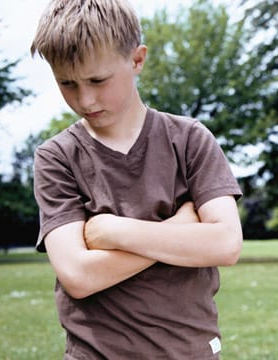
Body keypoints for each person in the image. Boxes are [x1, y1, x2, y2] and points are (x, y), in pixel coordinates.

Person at [30, 0, 243, 358]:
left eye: (98, 80)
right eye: (67, 83)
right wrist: (180, 227)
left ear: (137, 59)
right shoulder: (57, 157)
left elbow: (225, 244)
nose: (85, 99)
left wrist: (113, 232)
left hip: (189, 351)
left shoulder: (189, 139)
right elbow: (79, 276)